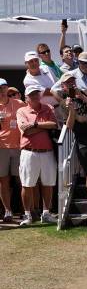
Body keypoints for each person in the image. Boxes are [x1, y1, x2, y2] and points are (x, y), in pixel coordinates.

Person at [54, 72, 87, 219]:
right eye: (67, 83)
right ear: (63, 86)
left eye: (72, 82)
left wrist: (82, 97)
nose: (71, 85)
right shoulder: (63, 102)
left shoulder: (85, 93)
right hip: (82, 139)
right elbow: (69, 126)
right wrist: (71, 110)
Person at [16, 85, 58, 226]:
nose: (34, 96)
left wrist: (34, 125)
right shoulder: (21, 110)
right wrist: (43, 127)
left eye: (36, 94)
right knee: (27, 185)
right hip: (29, 152)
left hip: (47, 152)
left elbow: (53, 124)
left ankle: (46, 213)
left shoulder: (48, 108)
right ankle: (27, 215)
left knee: (48, 184)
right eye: (31, 94)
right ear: (26, 97)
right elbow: (25, 130)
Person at [0, 78, 25, 223]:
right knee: (3, 181)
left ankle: (25, 210)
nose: (1, 91)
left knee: (21, 180)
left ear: (7, 88)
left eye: (3, 87)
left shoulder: (19, 104)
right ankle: (8, 211)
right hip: (1, 147)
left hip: (18, 146)